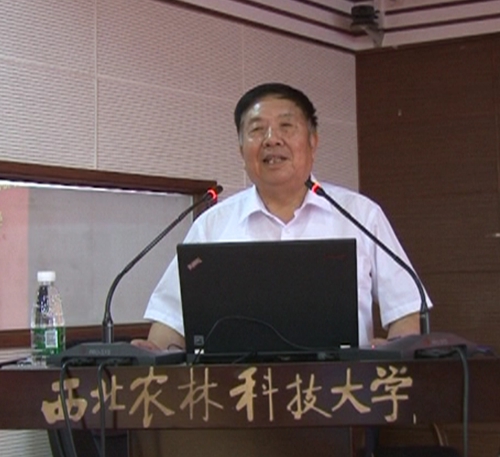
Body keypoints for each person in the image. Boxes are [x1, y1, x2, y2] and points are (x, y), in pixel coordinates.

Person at [134, 82, 430, 353]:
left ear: (313, 142)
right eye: (257, 130)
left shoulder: (361, 215)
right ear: (241, 150)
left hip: (342, 389)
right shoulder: (212, 225)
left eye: (286, 126)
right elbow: (170, 322)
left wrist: (394, 353)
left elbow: (405, 310)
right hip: (237, 389)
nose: (271, 140)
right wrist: (152, 354)